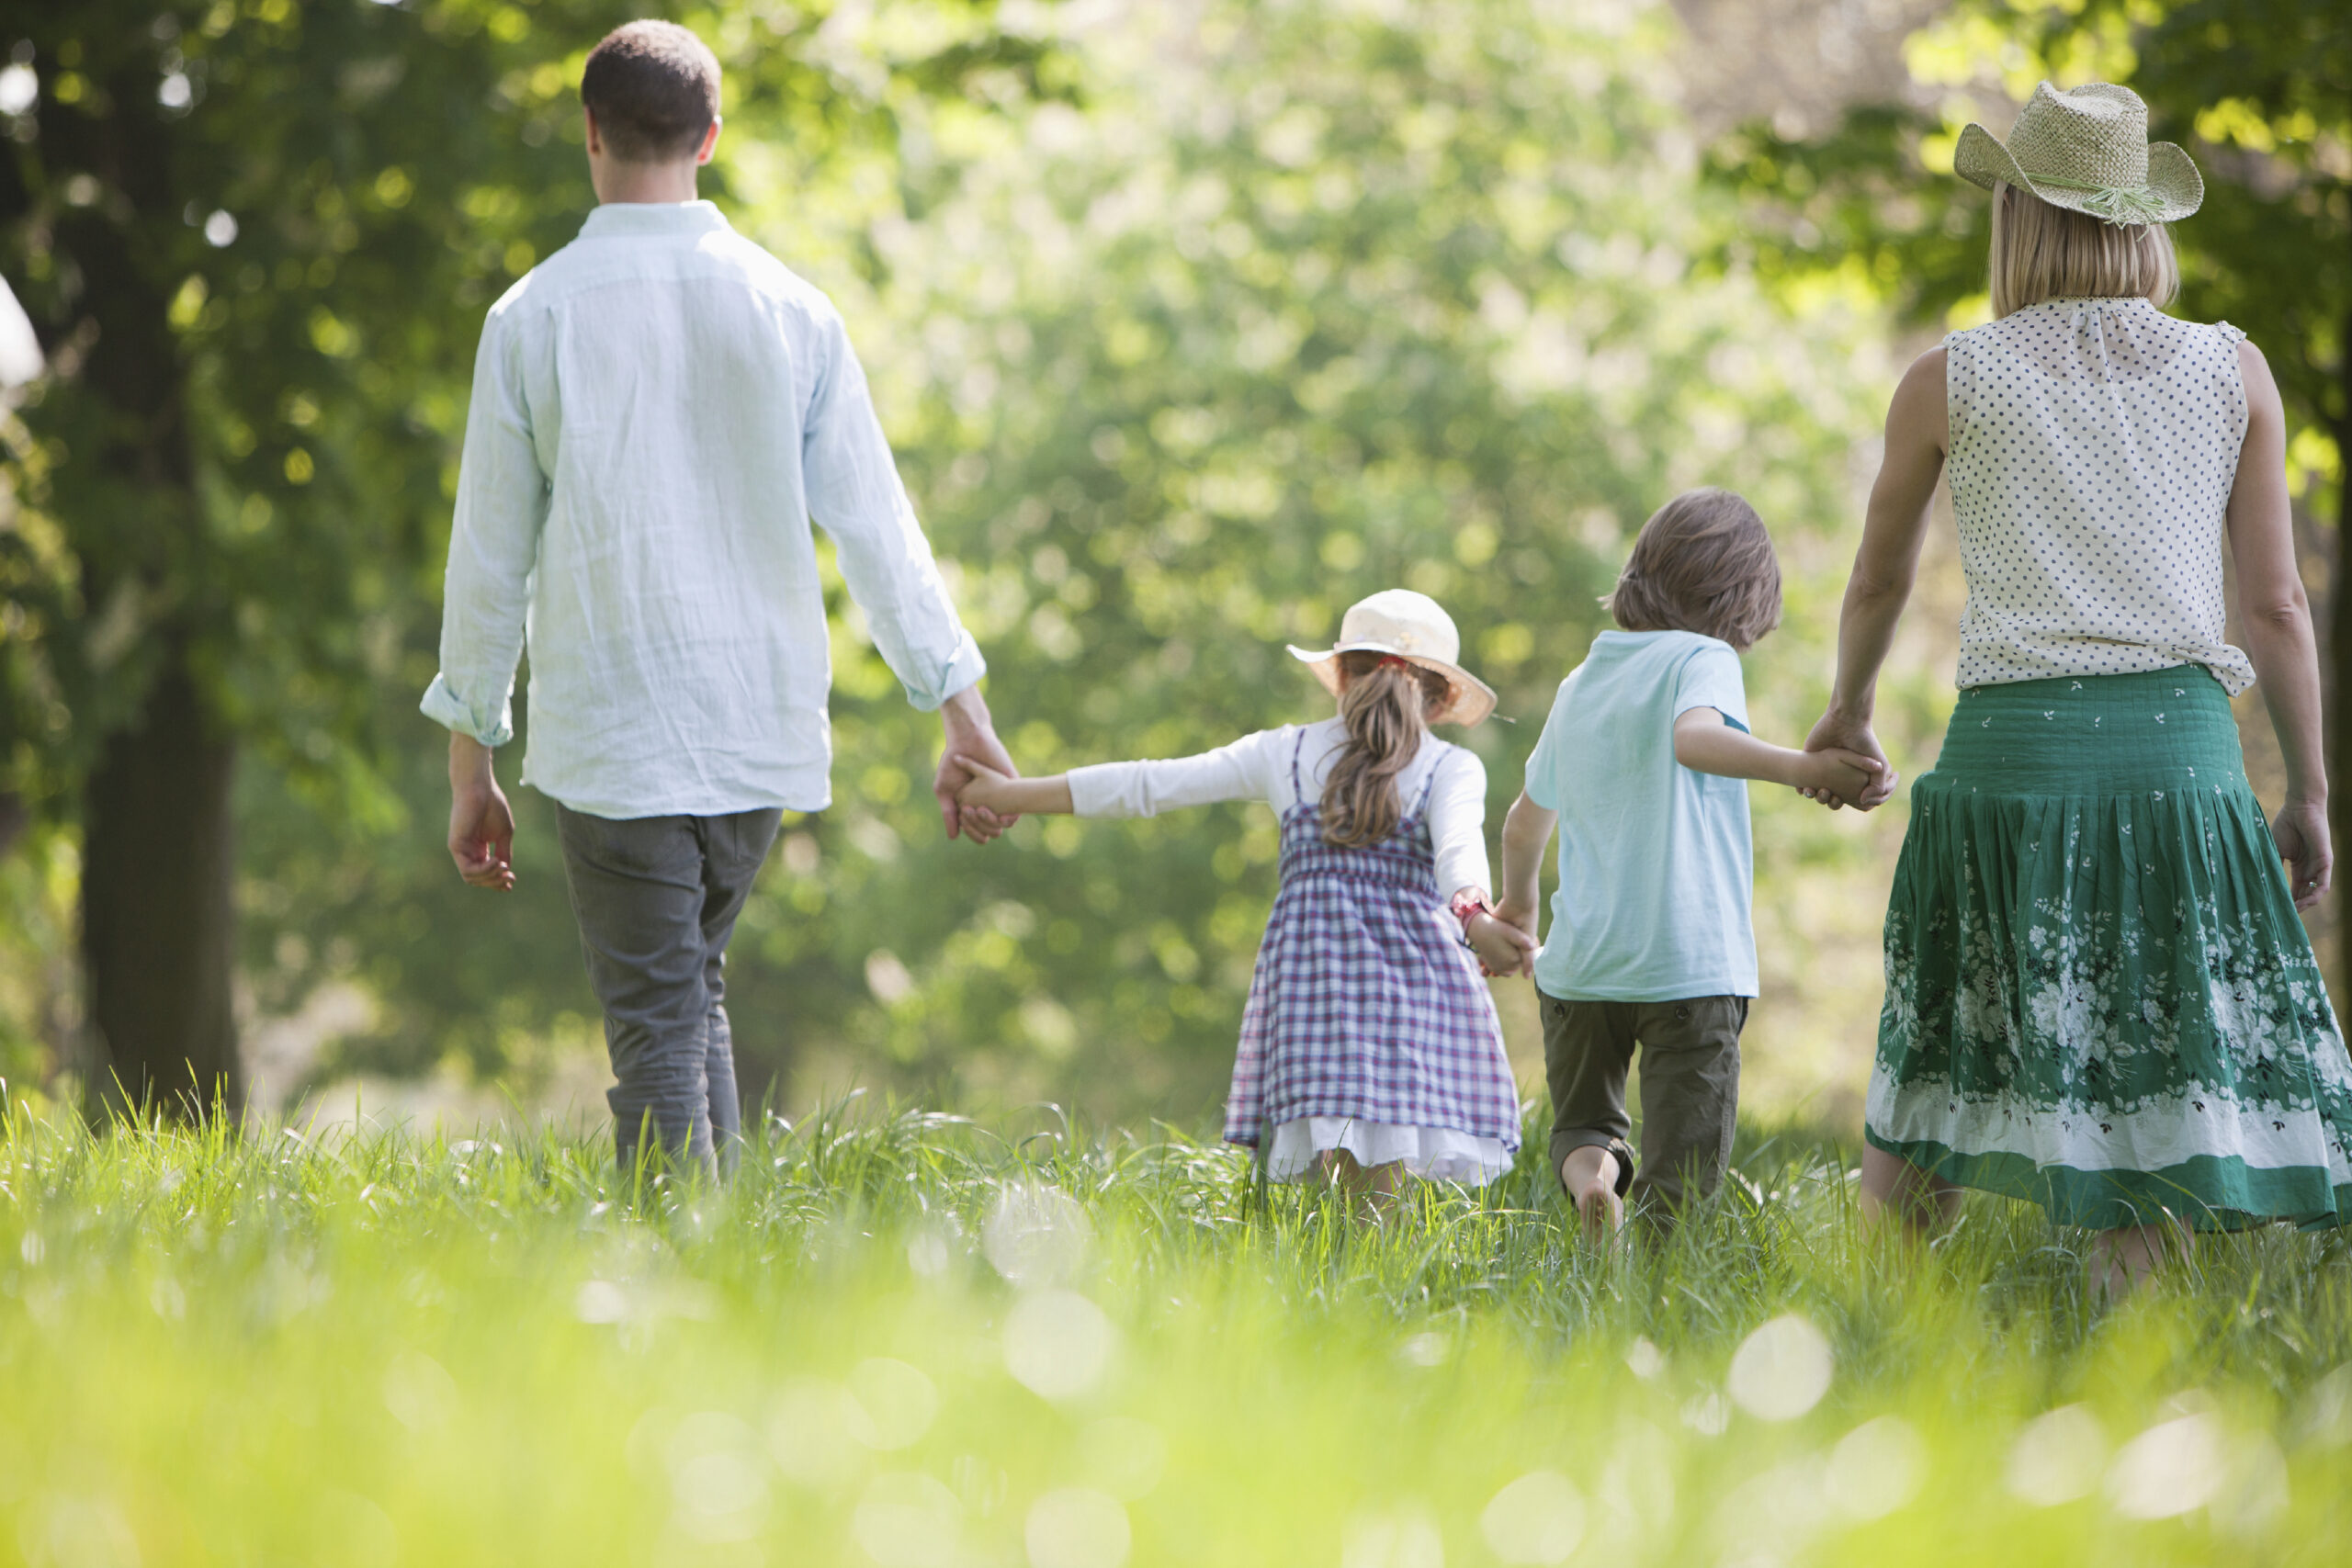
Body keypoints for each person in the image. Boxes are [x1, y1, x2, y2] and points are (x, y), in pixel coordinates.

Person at [421, 20, 1016, 1178]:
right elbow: (876, 526)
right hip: (753, 723)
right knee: (689, 1001)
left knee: (655, 1029)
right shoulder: (793, 309)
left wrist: (471, 766)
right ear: (712, 137)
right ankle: (732, 1278)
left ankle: (667, 1304)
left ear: (588, 133)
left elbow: (487, 561)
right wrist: (960, 704)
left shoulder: (530, 316)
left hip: (612, 728)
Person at [1803, 81, 2352, 1292]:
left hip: (2006, 761)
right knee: (2151, 1062)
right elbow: (2276, 607)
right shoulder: (2232, 371)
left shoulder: (1948, 378)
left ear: (2016, 217)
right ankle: (2129, 1352)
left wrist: (1845, 706)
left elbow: (1878, 580)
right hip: (2179, 762)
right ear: (2142, 219)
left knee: (1939, 1052)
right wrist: (2307, 790)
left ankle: (1880, 1326)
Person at [955, 590, 1524, 1202]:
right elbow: (1458, 857)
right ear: (1439, 699)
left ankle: (1338, 1285)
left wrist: (1009, 793)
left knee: (1333, 1175)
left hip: (1316, 985)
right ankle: (1376, 1285)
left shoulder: (1285, 752)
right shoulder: (1451, 767)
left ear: (1338, 675)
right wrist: (1475, 916)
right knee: (1385, 1181)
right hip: (1414, 987)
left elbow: (1150, 783)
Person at [1476, 491, 1880, 1235]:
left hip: (1583, 969)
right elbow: (1693, 738)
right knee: (1684, 1167)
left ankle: (1595, 1181)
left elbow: (1523, 824)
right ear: (1744, 595)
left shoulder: (1582, 681)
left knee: (1582, 1127)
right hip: (1689, 966)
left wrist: (1518, 909)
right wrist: (1804, 766)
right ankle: (1663, 1299)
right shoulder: (1704, 656)